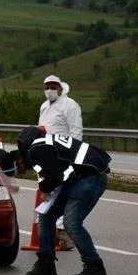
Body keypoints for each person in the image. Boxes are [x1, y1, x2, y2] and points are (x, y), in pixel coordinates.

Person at [15, 125, 110, 275]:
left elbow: (58, 175)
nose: (19, 164)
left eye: (18, 160)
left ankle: (94, 266)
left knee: (71, 223)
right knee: (46, 216)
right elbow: (62, 170)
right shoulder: (45, 143)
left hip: (91, 177)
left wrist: (45, 188)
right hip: (80, 176)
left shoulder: (36, 148)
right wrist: (49, 188)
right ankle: (46, 263)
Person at [39, 74, 83, 250]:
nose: (50, 90)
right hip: (46, 155)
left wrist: (74, 155)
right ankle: (50, 235)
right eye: (47, 87)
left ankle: (64, 233)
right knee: (48, 194)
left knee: (62, 193)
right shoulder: (44, 106)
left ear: (60, 87)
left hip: (63, 156)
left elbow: (76, 130)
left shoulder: (69, 105)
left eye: (53, 86)